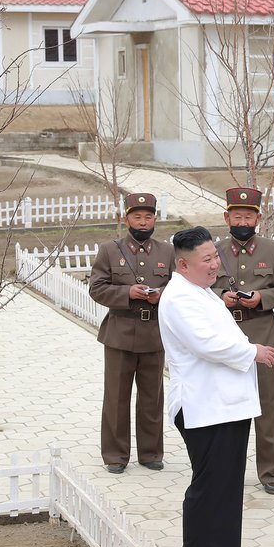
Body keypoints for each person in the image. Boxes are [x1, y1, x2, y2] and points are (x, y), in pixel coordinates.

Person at [159, 226, 274, 547]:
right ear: (183, 264)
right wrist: (252, 351)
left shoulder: (199, 291)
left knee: (225, 480)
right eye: (207, 259)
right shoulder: (179, 297)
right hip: (204, 405)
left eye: (216, 256)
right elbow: (206, 344)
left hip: (222, 403)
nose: (215, 264)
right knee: (210, 482)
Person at [213, 187, 274, 495]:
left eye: (249, 215)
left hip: (262, 331)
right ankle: (225, 472)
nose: (243, 220)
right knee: (226, 406)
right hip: (225, 335)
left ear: (258, 218)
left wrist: (262, 297)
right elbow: (201, 287)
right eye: (237, 215)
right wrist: (220, 296)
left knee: (267, 406)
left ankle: (272, 474)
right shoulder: (214, 250)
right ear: (227, 217)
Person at [89, 193, 173, 474]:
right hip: (120, 333)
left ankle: (150, 453)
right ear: (126, 219)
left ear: (155, 219)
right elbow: (96, 288)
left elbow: (179, 289)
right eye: (137, 216)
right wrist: (127, 292)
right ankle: (115, 455)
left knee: (152, 397)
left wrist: (160, 295)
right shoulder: (109, 251)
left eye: (148, 216)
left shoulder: (167, 252)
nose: (143, 221)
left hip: (154, 334)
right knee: (116, 397)